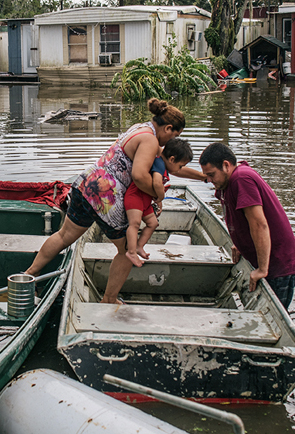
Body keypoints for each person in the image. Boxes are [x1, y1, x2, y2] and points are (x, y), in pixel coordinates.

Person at [24, 98, 206, 303]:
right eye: (175, 135)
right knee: (127, 250)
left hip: (85, 184)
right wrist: (157, 196)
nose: (172, 141)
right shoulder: (151, 141)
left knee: (64, 236)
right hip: (105, 198)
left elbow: (171, 166)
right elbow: (139, 175)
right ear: (169, 128)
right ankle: (109, 299)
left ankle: (28, 275)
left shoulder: (141, 129)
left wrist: (203, 177)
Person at [199, 142, 295, 310]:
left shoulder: (242, 179)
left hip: (277, 265)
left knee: (272, 317)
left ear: (226, 165)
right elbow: (239, 216)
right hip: (267, 261)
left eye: (211, 175)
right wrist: (239, 242)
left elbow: (259, 224)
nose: (208, 180)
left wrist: (262, 269)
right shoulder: (227, 182)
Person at [123, 137, 194, 267]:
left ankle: (139, 246)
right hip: (135, 197)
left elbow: (155, 187)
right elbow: (156, 182)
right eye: (180, 166)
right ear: (172, 159)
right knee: (135, 223)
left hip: (145, 200)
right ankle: (131, 252)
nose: (179, 170)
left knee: (153, 223)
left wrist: (157, 201)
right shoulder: (159, 163)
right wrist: (161, 197)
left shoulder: (163, 166)